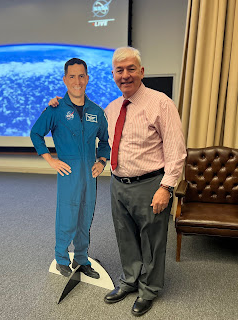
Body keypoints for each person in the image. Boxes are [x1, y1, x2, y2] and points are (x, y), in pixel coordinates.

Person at [48, 47, 186, 316]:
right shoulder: (111, 109)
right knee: (125, 237)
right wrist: (56, 105)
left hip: (150, 184)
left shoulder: (161, 103)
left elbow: (176, 151)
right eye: (119, 70)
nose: (125, 75)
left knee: (152, 241)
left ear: (142, 71)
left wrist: (166, 187)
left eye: (131, 68)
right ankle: (130, 280)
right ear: (113, 74)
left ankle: (149, 290)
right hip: (118, 184)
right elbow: (88, 125)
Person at [30, 58, 110, 279]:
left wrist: (101, 162)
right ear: (65, 79)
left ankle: (82, 258)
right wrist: (50, 160)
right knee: (67, 216)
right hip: (69, 172)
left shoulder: (97, 111)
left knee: (85, 217)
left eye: (81, 76)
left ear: (87, 78)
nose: (77, 81)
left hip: (90, 175)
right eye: (72, 76)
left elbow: (104, 142)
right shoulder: (55, 109)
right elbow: (36, 133)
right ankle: (61, 258)